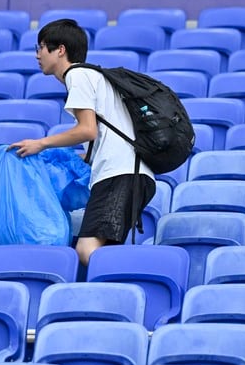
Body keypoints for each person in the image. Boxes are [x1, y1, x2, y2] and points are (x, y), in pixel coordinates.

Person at [8, 19, 156, 266]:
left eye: (41, 47)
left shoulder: (77, 75)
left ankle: (133, 281)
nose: (37, 55)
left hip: (120, 174)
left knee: (86, 249)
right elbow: (98, 139)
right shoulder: (89, 77)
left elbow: (87, 131)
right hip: (127, 173)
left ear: (60, 50)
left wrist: (41, 144)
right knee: (103, 250)